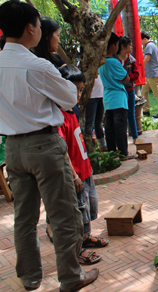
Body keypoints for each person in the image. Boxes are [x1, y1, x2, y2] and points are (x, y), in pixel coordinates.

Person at [0, 1, 98, 291]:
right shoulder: (37, 65)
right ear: (31, 28)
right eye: (40, 26)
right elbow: (70, 97)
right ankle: (70, 277)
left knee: (24, 218)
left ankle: (29, 277)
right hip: (44, 145)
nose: (42, 31)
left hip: (13, 149)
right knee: (63, 214)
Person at [58, 65, 109, 265]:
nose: (78, 95)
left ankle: (86, 236)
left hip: (85, 170)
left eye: (80, 90)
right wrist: (74, 175)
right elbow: (62, 150)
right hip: (76, 175)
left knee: (88, 207)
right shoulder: (59, 116)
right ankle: (78, 249)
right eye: (74, 91)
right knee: (78, 211)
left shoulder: (73, 111)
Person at [99, 32, 137, 160]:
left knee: (109, 128)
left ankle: (112, 152)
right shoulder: (113, 62)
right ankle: (123, 153)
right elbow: (126, 77)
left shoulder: (101, 63)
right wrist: (122, 78)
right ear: (112, 46)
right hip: (118, 99)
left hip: (108, 99)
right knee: (120, 127)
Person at [33, 16, 80, 119]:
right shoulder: (34, 63)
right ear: (47, 35)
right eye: (57, 35)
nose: (59, 41)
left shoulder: (57, 60)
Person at [115, 36, 139, 142]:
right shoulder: (114, 60)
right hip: (118, 92)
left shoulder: (131, 59)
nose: (132, 47)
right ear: (123, 46)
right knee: (120, 116)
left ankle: (135, 137)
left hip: (129, 90)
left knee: (131, 115)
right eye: (130, 45)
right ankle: (121, 139)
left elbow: (136, 74)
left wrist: (126, 76)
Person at [141, 31, 158, 118]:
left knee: (157, 93)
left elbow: (147, 58)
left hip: (152, 73)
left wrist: (140, 68)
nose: (141, 43)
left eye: (141, 40)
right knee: (143, 92)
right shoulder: (154, 46)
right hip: (150, 74)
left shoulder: (149, 46)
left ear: (144, 39)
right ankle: (146, 110)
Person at [84, 74, 107, 151]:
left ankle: (102, 145)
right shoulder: (86, 66)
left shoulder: (99, 66)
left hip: (101, 96)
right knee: (89, 123)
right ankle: (89, 147)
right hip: (91, 97)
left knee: (99, 122)